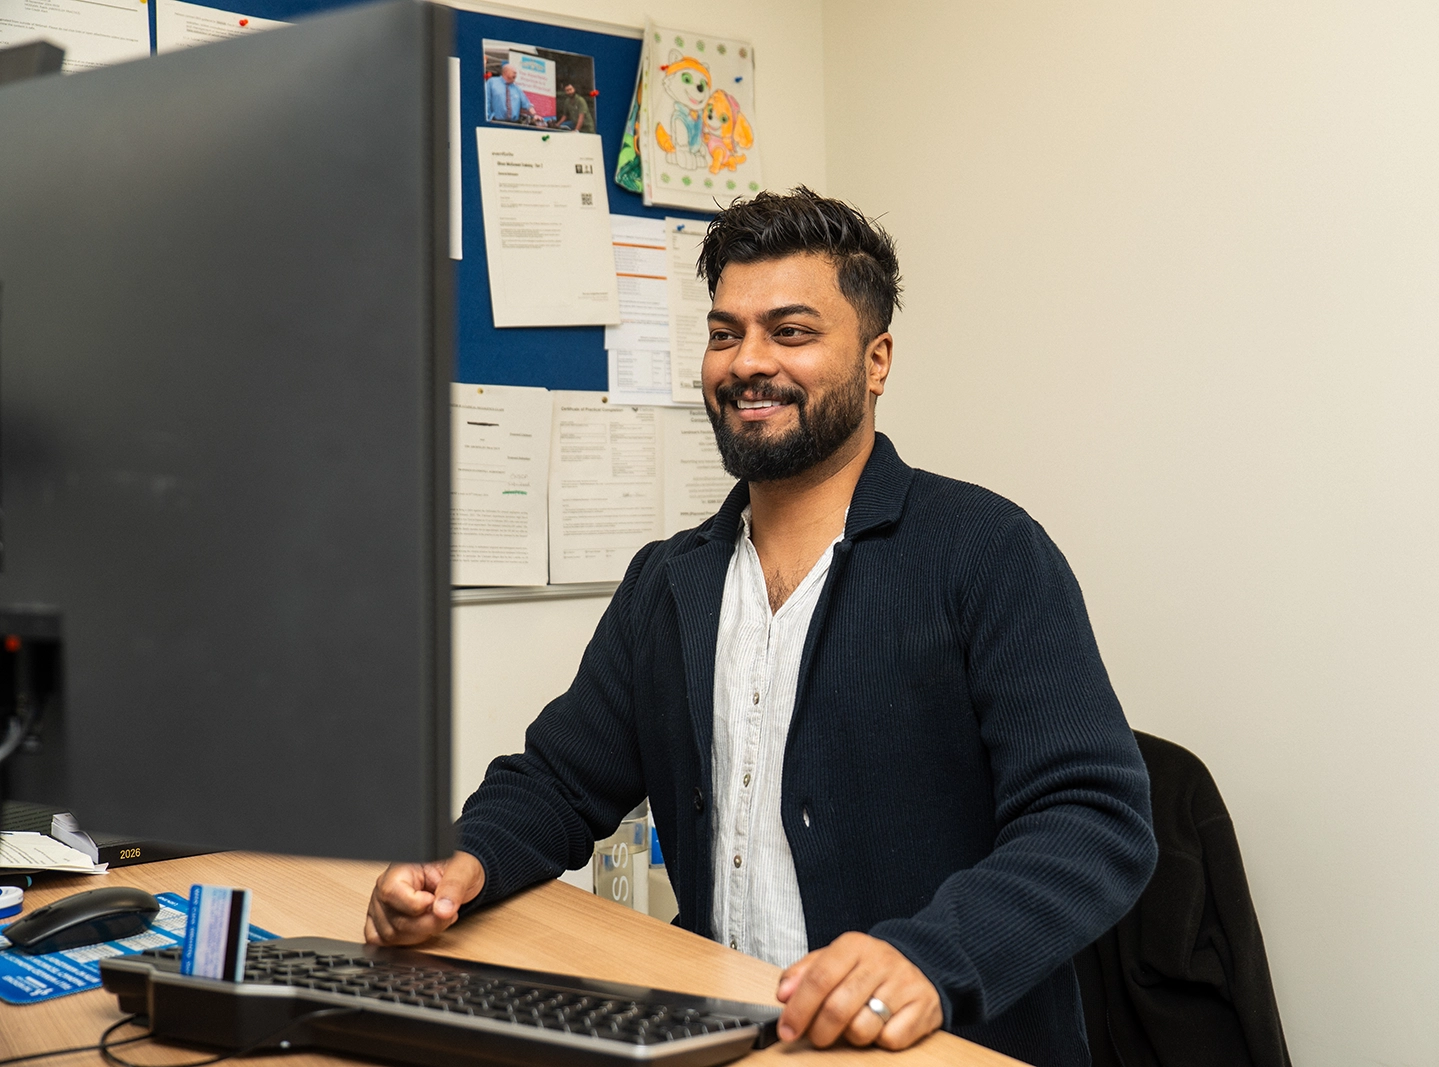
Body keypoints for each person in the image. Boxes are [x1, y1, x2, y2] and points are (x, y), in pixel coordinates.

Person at [364, 189, 1157, 1067]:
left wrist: (929, 959)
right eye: (723, 333)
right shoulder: (671, 579)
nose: (747, 362)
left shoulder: (987, 552)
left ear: (876, 358)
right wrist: (464, 862)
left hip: (931, 1045)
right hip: (726, 1038)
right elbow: (558, 779)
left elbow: (1094, 820)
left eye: (791, 331)